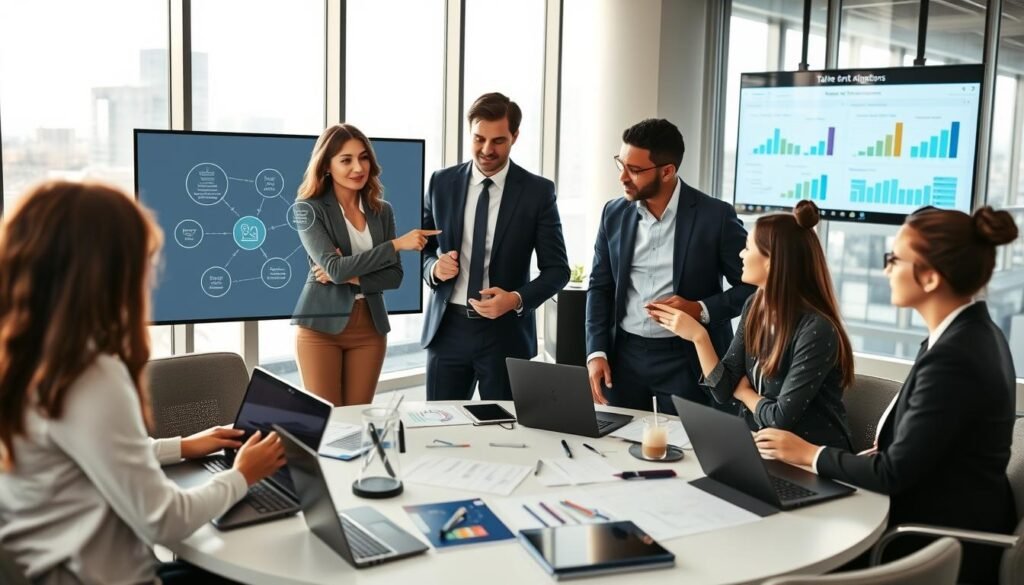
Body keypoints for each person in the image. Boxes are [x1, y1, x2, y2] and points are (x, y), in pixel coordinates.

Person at [0, 180, 286, 585]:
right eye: (143, 261)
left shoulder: (26, 357)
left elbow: (87, 454)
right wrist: (242, 475)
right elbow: (165, 522)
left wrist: (182, 446)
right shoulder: (88, 375)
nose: (150, 277)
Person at [755, 205, 1019, 584]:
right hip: (934, 513)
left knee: (785, 551)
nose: (885, 270)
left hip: (928, 542)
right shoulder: (968, 333)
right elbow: (921, 448)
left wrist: (808, 454)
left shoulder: (955, 357)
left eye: (894, 259)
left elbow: (894, 473)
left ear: (928, 277)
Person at [648, 200, 854, 449]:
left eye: (748, 248)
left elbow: (780, 419)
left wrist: (745, 394)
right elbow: (723, 390)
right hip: (761, 448)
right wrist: (698, 337)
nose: (741, 255)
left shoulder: (816, 330)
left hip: (812, 461)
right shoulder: (756, 307)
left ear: (771, 260)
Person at [586, 118, 755, 414]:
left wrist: (700, 309)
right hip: (623, 359)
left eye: (635, 170)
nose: (623, 177)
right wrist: (596, 352)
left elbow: (753, 287)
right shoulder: (613, 214)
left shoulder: (714, 216)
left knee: (688, 451)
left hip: (686, 360)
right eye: (621, 164)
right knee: (613, 447)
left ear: (667, 172)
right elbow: (600, 287)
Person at [421, 92, 569, 401]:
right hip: (447, 331)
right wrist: (433, 267)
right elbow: (422, 248)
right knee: (439, 431)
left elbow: (557, 271)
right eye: (479, 139)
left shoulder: (538, 192)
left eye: (498, 141)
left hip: (506, 335)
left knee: (505, 436)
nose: (487, 150)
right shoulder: (440, 183)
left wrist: (515, 299)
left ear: (515, 136)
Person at [292, 124, 438, 406]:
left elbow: (394, 276)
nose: (358, 167)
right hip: (320, 327)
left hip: (370, 327)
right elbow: (335, 269)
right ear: (326, 166)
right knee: (330, 423)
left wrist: (349, 275)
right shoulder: (307, 208)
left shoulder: (382, 210)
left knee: (357, 418)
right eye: (346, 160)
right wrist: (395, 245)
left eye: (363, 157)